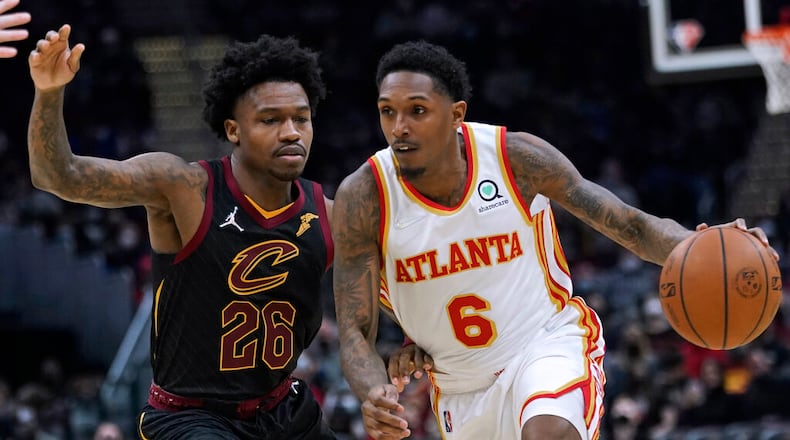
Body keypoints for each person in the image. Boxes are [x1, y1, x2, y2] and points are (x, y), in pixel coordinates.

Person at [330, 40, 778, 440]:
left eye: (417, 110)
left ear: (456, 115)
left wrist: (701, 247)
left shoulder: (515, 159)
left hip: (543, 344)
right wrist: (375, 393)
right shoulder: (365, 197)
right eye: (388, 111)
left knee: (547, 430)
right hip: (460, 389)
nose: (399, 127)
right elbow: (354, 329)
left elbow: (629, 224)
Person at [28, 24, 336, 439]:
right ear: (233, 130)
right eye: (271, 119)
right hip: (190, 417)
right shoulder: (183, 186)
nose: (291, 132)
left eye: (301, 118)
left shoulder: (328, 213)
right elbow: (59, 176)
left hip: (283, 410)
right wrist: (49, 92)